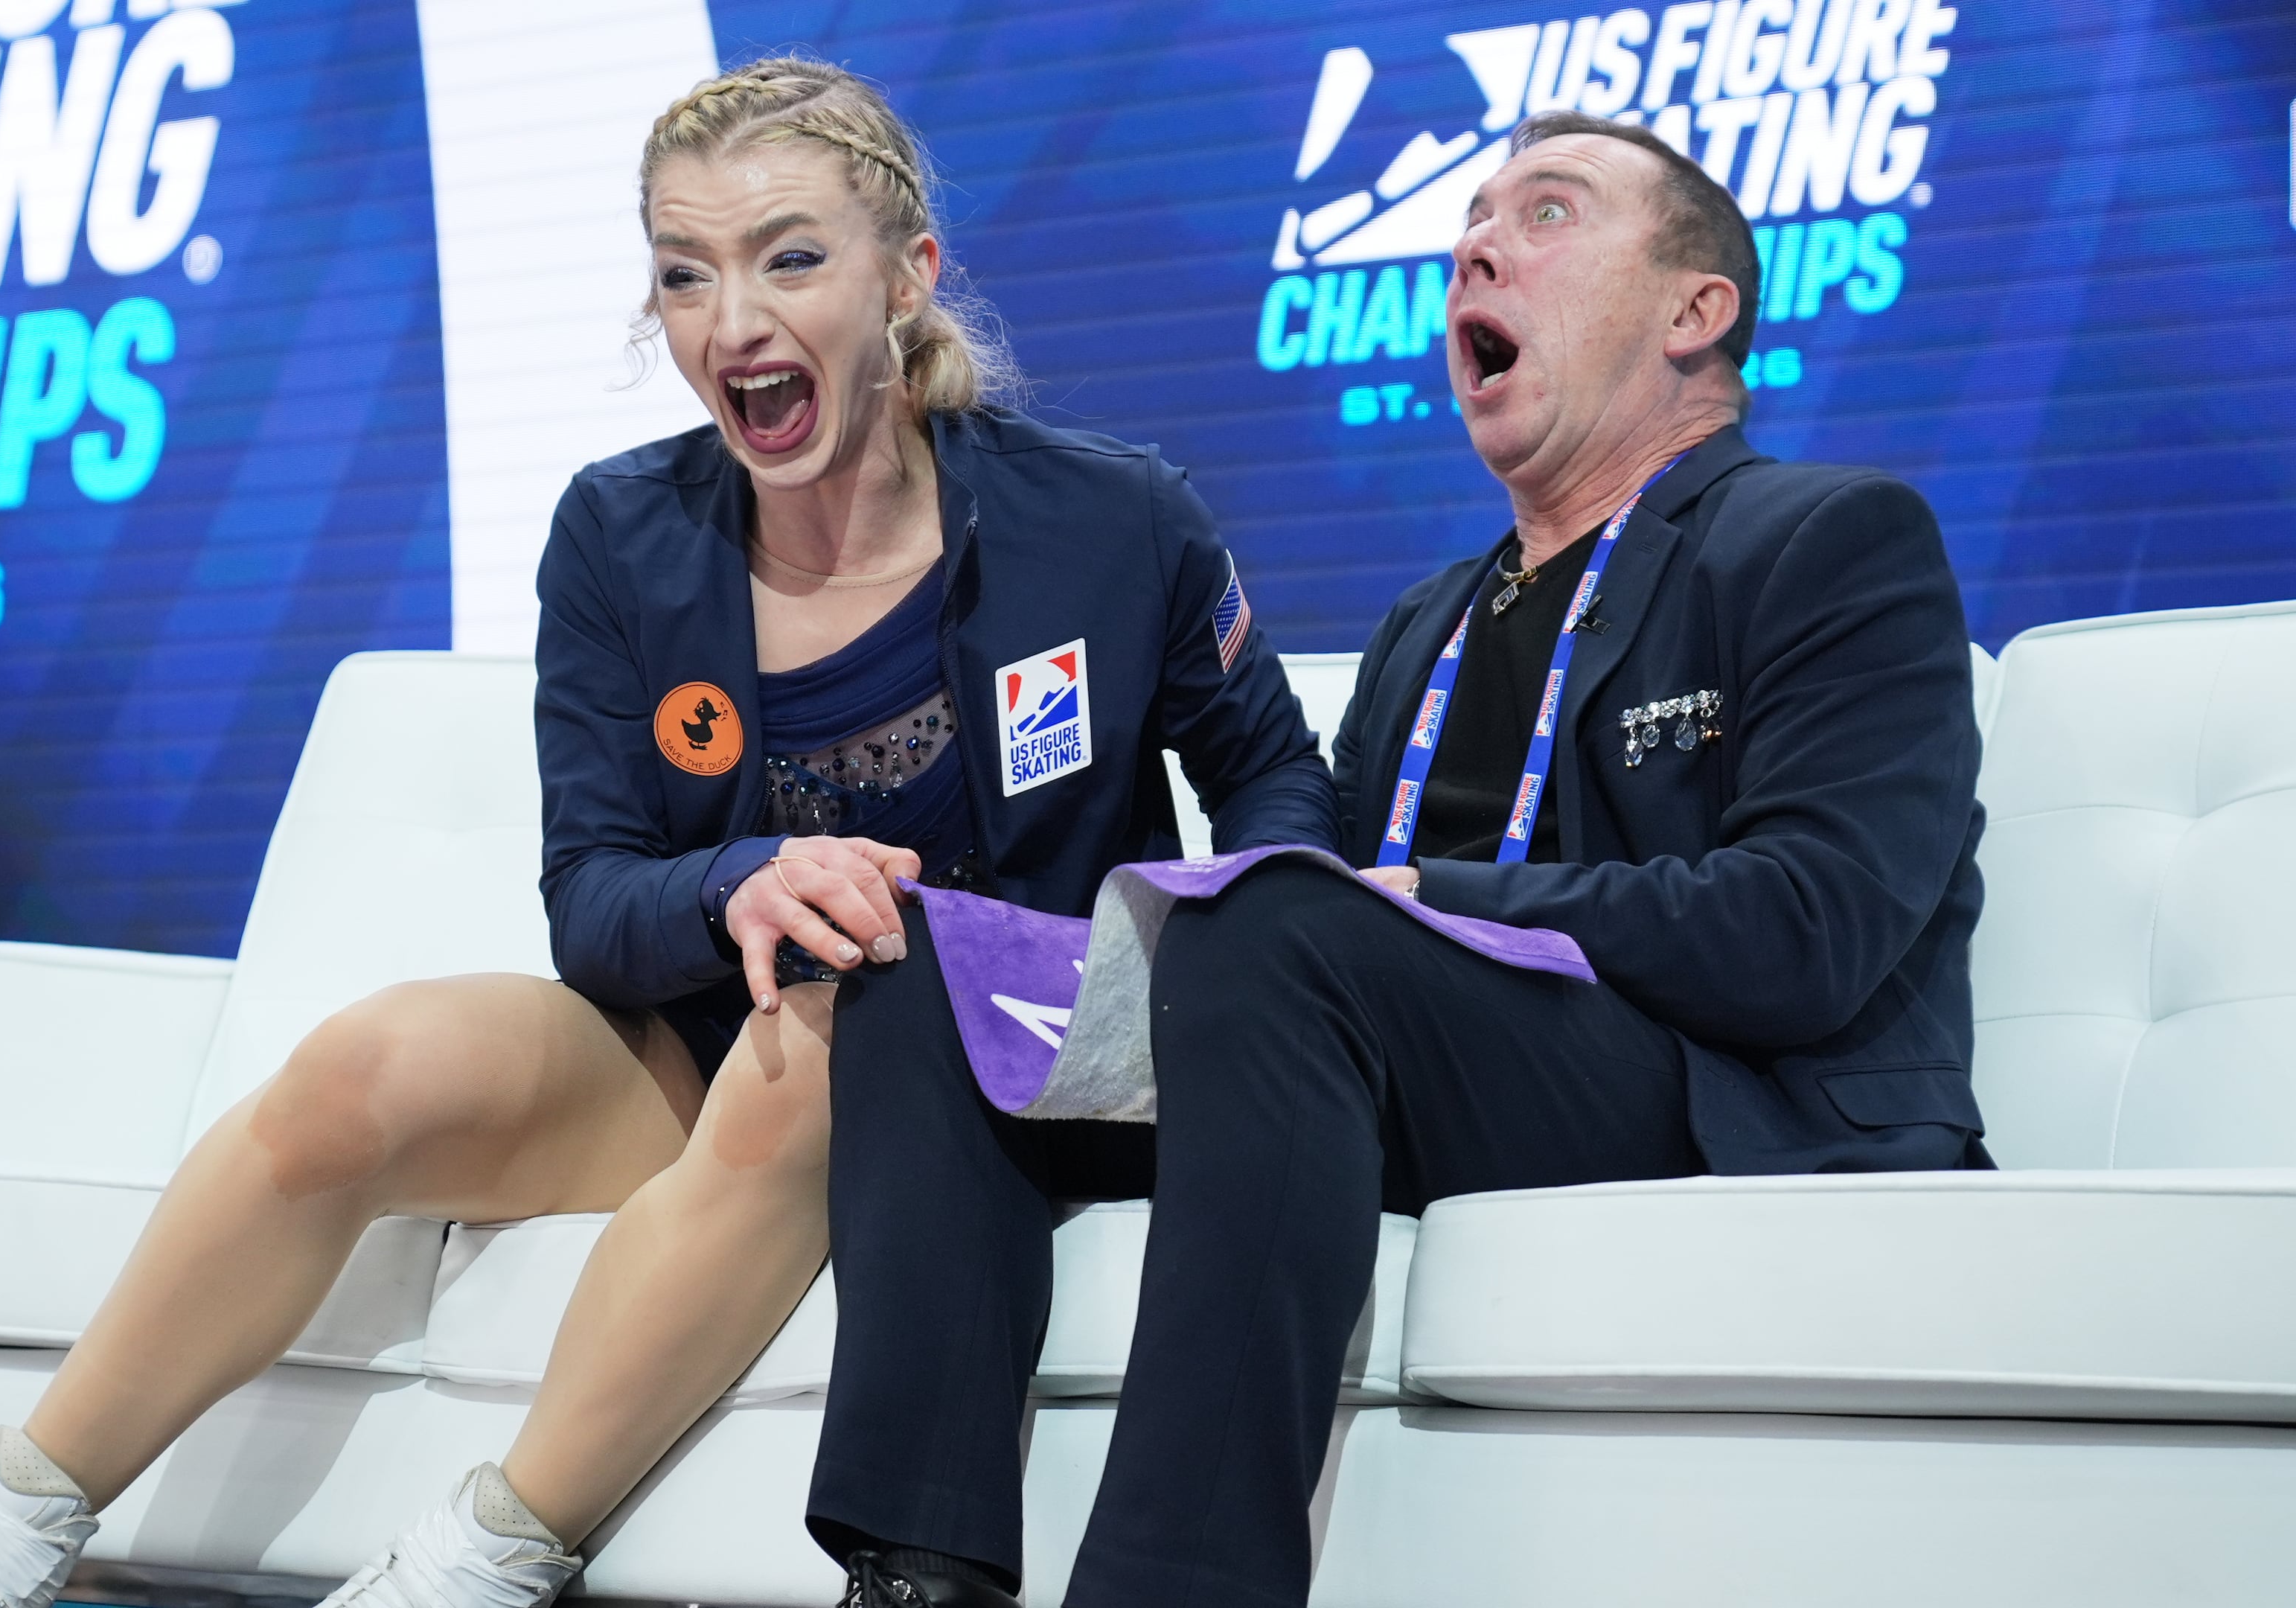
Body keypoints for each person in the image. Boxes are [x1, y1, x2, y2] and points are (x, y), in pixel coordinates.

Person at [0, 57, 1335, 1608]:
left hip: (1004, 1064)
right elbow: (593, 897)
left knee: (827, 1027)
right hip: (698, 1064)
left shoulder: (1115, 516)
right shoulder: (621, 532)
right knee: (362, 1073)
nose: (733, 322)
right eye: (685, 274)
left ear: (908, 281)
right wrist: (744, 879)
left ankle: (478, 1559)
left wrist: (1179, 985)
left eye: (790, 257)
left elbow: (1279, 786)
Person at [808, 109, 1992, 1608]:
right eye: (1469, 227)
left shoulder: (1827, 538)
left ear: (1701, 314)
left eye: (1547, 215)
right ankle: (917, 1579)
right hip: (1392, 1065)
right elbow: (1325, 928)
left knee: (1279, 926)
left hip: (1707, 1086)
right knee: (928, 974)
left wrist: (1437, 901)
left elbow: (1808, 927)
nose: (1477, 247)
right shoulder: (1427, 622)